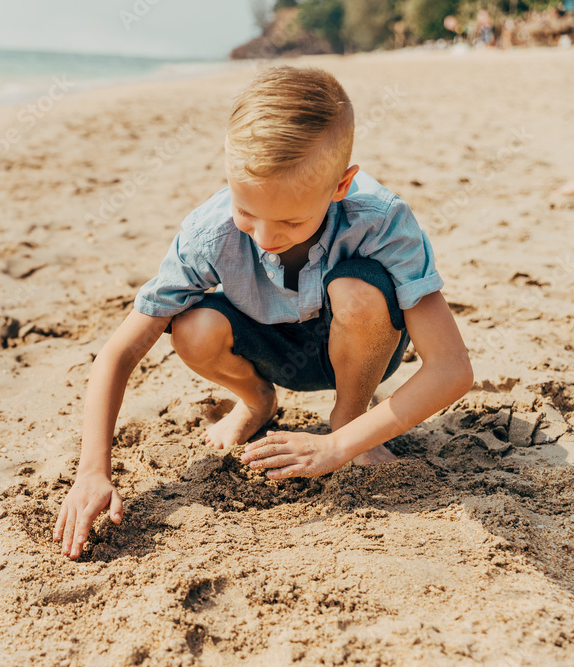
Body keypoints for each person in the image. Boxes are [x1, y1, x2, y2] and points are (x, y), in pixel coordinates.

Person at [53, 66, 473, 560]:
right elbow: (119, 352)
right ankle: (256, 402)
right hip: (270, 345)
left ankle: (348, 418)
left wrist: (335, 448)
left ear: (341, 186)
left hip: (362, 340)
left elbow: (452, 369)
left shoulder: (380, 220)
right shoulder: (208, 233)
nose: (267, 238)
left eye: (292, 220)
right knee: (191, 326)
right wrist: (93, 471)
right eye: (246, 211)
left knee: (357, 293)